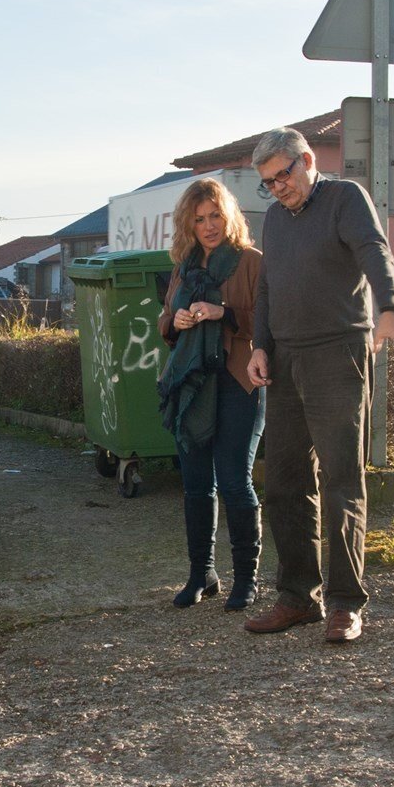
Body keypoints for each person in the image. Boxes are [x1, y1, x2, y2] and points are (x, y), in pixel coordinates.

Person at [243, 127, 394, 644]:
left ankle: (346, 605)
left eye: (283, 175)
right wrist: (259, 345)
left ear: (307, 160)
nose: (277, 188)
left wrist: (389, 309)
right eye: (267, 183)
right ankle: (297, 598)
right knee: (285, 484)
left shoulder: (345, 198)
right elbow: (267, 287)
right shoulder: (275, 219)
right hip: (284, 360)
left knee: (342, 479)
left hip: (337, 353)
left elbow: (374, 251)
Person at [156, 177, 266, 610]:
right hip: (192, 385)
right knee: (197, 485)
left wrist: (224, 313)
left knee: (235, 482)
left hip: (239, 381)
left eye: (215, 215)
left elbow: (270, 321)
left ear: (229, 216)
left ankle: (246, 580)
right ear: (189, 224)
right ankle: (202, 574)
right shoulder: (184, 266)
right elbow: (165, 321)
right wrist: (177, 320)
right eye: (199, 219)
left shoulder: (251, 262)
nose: (208, 226)